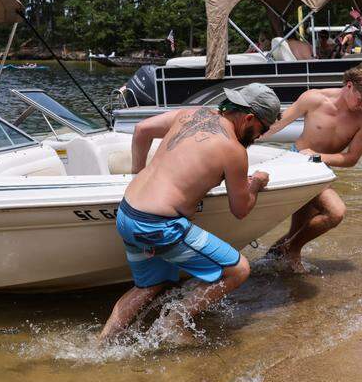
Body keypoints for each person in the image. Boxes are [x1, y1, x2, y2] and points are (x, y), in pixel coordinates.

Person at [99, 83, 281, 342]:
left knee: (149, 285)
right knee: (238, 270)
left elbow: (142, 130)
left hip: (128, 212)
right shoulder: (234, 150)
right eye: (262, 129)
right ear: (249, 117)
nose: (260, 136)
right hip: (158, 225)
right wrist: (257, 183)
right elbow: (240, 210)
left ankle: (102, 344)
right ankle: (173, 323)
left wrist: (138, 173)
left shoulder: (191, 113)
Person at [260, 62, 362, 272]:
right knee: (335, 212)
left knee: (299, 229)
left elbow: (352, 158)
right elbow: (276, 125)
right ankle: (289, 253)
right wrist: (239, 138)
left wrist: (318, 157)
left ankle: (270, 262)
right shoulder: (314, 98)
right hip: (297, 164)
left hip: (320, 169)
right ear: (349, 85)